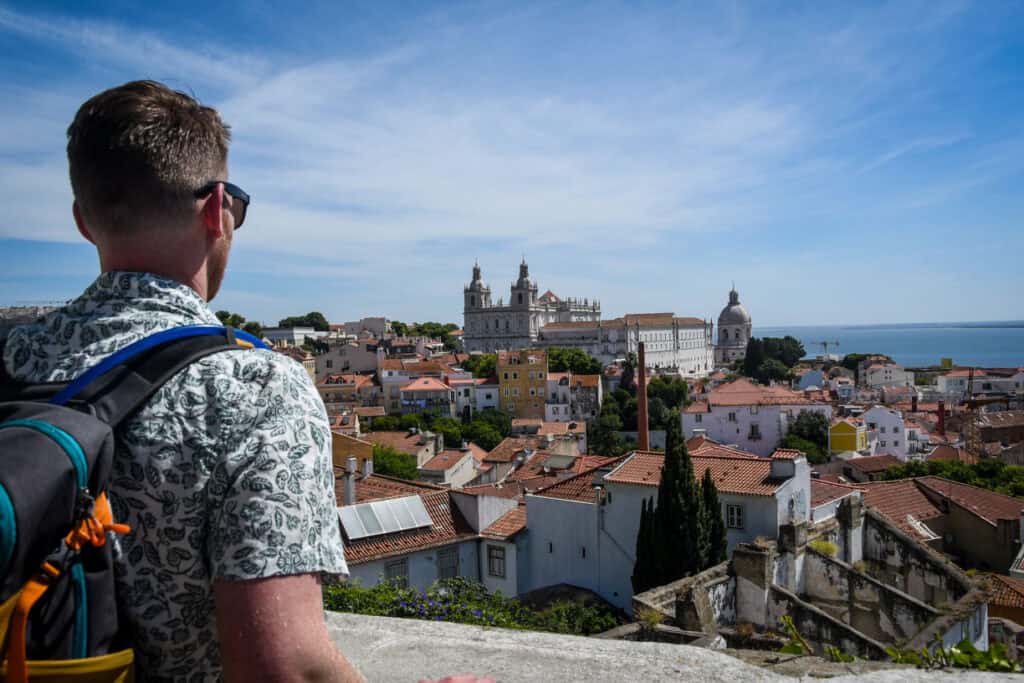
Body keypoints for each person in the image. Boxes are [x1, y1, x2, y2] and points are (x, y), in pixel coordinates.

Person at [2, 81, 363, 682]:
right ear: (217, 208)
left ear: (83, 222)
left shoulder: (11, 357)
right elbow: (284, 668)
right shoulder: (256, 388)